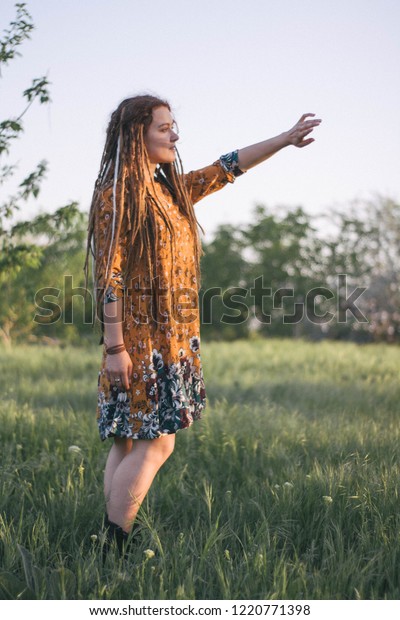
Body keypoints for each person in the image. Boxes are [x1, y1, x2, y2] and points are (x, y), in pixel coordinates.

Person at [83, 94, 321, 555]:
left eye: (174, 126)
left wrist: (284, 139)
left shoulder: (169, 189)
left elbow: (226, 167)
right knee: (155, 445)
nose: (175, 134)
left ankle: (107, 537)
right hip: (143, 341)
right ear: (137, 135)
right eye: (163, 128)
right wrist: (115, 349)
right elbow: (107, 278)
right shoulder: (117, 196)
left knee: (130, 443)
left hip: (168, 338)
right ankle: (113, 546)